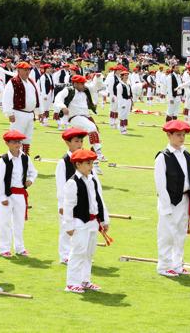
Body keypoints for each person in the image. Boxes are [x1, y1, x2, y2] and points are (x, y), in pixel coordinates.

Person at [62, 149, 110, 293]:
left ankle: (85, 280)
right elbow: (68, 206)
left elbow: (98, 201)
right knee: (78, 251)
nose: (91, 167)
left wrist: (103, 220)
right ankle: (72, 282)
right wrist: (68, 225)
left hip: (92, 222)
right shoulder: (72, 183)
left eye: (92, 163)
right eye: (88, 163)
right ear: (78, 164)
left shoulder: (92, 180)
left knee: (89, 253)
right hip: (79, 222)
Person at [154, 120, 190, 277]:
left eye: (183, 135)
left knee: (180, 233)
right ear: (168, 135)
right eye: (178, 135)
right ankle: (163, 265)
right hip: (169, 200)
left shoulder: (187, 155)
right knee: (166, 234)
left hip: (184, 199)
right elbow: (160, 184)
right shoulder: (162, 157)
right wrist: (165, 205)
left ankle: (177, 264)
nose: (181, 138)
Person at [55, 128, 99, 264]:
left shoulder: (87, 159)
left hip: (84, 202)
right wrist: (62, 204)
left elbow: (95, 182)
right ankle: (65, 255)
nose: (79, 144)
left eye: (81, 141)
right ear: (68, 143)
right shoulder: (63, 162)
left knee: (83, 230)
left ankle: (80, 255)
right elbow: (61, 184)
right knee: (66, 229)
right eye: (76, 141)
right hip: (69, 201)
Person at [0, 130, 38, 257]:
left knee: (19, 222)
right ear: (7, 143)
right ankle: (4, 248)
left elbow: (33, 171)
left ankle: (19, 247)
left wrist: (30, 180)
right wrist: (2, 196)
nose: (17, 145)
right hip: (7, 194)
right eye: (14, 142)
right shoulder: (3, 161)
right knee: (4, 222)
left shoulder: (25, 158)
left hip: (20, 194)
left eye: (19, 142)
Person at [54, 74, 106, 162]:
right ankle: (98, 153)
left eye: (84, 83)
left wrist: (97, 78)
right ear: (75, 84)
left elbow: (96, 86)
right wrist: (63, 107)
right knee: (91, 128)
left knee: (94, 133)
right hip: (75, 117)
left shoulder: (85, 90)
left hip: (86, 116)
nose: (84, 85)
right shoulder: (68, 90)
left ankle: (93, 154)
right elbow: (58, 98)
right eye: (82, 83)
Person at [2, 62, 39, 156]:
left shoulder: (31, 82)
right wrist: (9, 113)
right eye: (25, 70)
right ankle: (14, 156)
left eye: (28, 70)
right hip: (18, 113)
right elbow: (7, 97)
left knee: (27, 138)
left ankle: (25, 157)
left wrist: (39, 111)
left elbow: (37, 96)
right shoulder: (13, 81)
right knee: (16, 137)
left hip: (30, 114)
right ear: (18, 70)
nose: (27, 72)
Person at [116, 70, 133, 135]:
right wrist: (122, 104)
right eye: (125, 75)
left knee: (126, 115)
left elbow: (130, 93)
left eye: (127, 75)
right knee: (122, 115)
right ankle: (122, 129)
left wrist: (131, 101)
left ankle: (124, 128)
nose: (126, 77)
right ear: (122, 76)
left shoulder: (128, 84)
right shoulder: (120, 85)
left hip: (128, 100)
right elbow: (119, 96)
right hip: (123, 101)